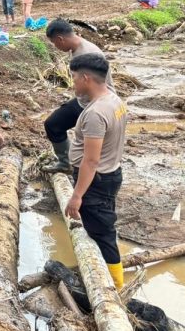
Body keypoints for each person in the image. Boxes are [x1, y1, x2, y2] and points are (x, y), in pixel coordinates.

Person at [65, 53, 127, 290]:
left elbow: (91, 161)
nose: (73, 83)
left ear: (86, 78)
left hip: (96, 181)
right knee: (102, 229)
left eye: (74, 78)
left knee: (103, 234)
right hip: (111, 174)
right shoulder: (115, 100)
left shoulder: (95, 114)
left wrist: (77, 195)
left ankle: (115, 289)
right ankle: (105, 277)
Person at [42, 19, 115, 174]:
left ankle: (82, 168)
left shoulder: (86, 54)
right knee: (53, 124)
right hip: (88, 99)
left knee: (63, 128)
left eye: (55, 43)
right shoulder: (79, 48)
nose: (56, 47)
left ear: (60, 39)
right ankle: (67, 162)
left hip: (96, 103)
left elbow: (95, 84)